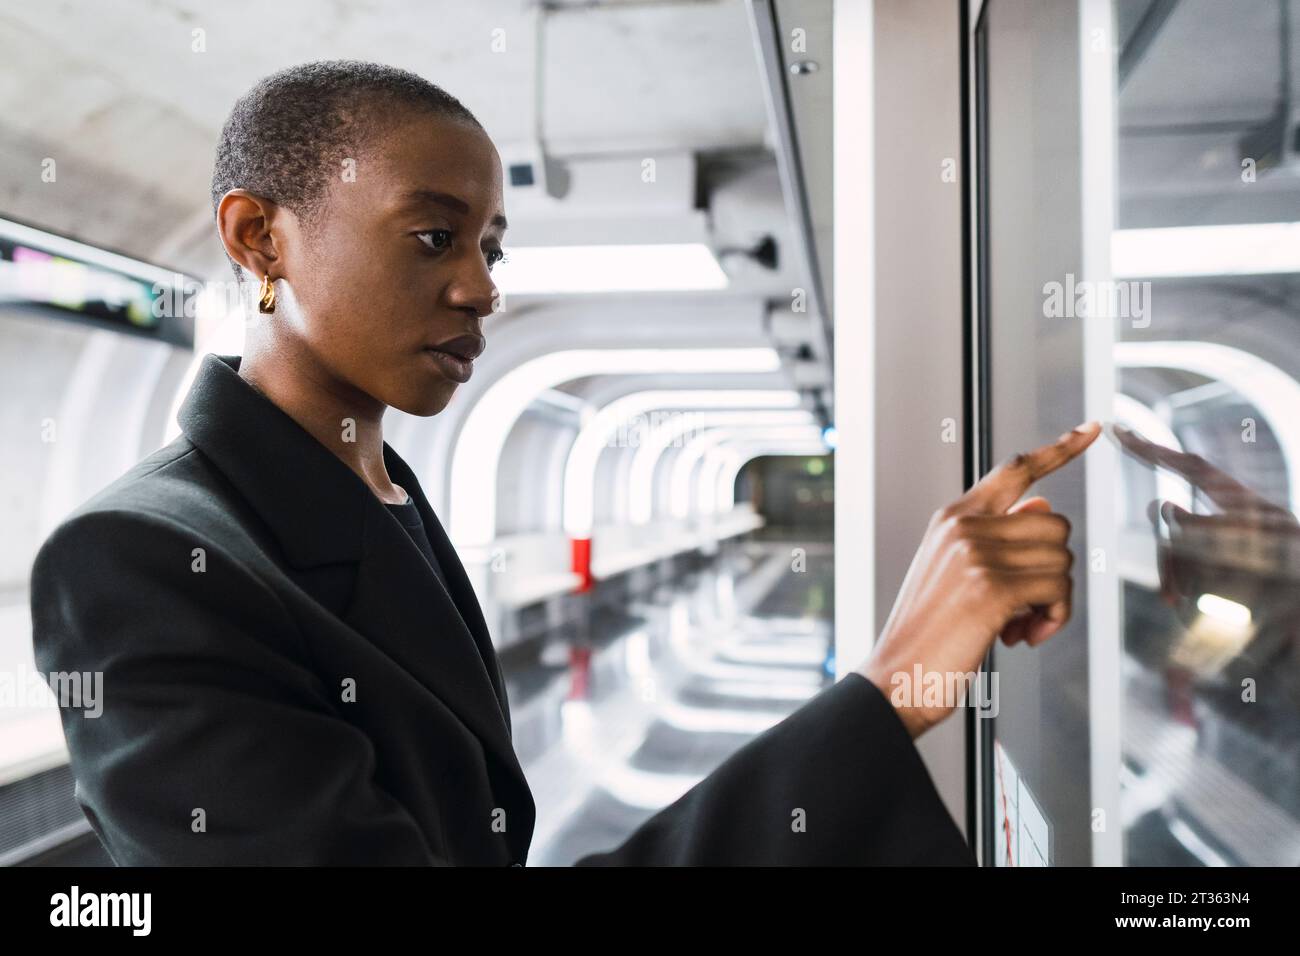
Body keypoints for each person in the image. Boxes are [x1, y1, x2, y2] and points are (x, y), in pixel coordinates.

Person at [29, 61, 1099, 866]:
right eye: (431, 237)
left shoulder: (381, 493)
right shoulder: (144, 558)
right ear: (261, 239)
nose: (483, 288)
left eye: (490, 247)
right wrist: (883, 691)